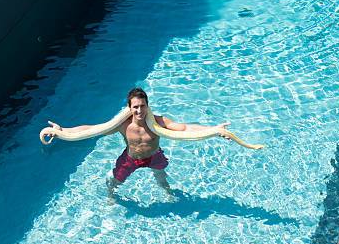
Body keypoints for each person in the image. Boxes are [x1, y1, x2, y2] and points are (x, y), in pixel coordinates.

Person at [46, 87, 230, 204]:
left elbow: (185, 128)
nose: (139, 110)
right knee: (115, 182)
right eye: (135, 107)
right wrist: (63, 130)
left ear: (147, 106)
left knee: (161, 176)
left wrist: (214, 129)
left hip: (154, 155)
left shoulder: (158, 122)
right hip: (131, 159)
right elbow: (92, 129)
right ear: (129, 108)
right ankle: (111, 196)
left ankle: (167, 192)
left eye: (142, 106)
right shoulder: (123, 124)